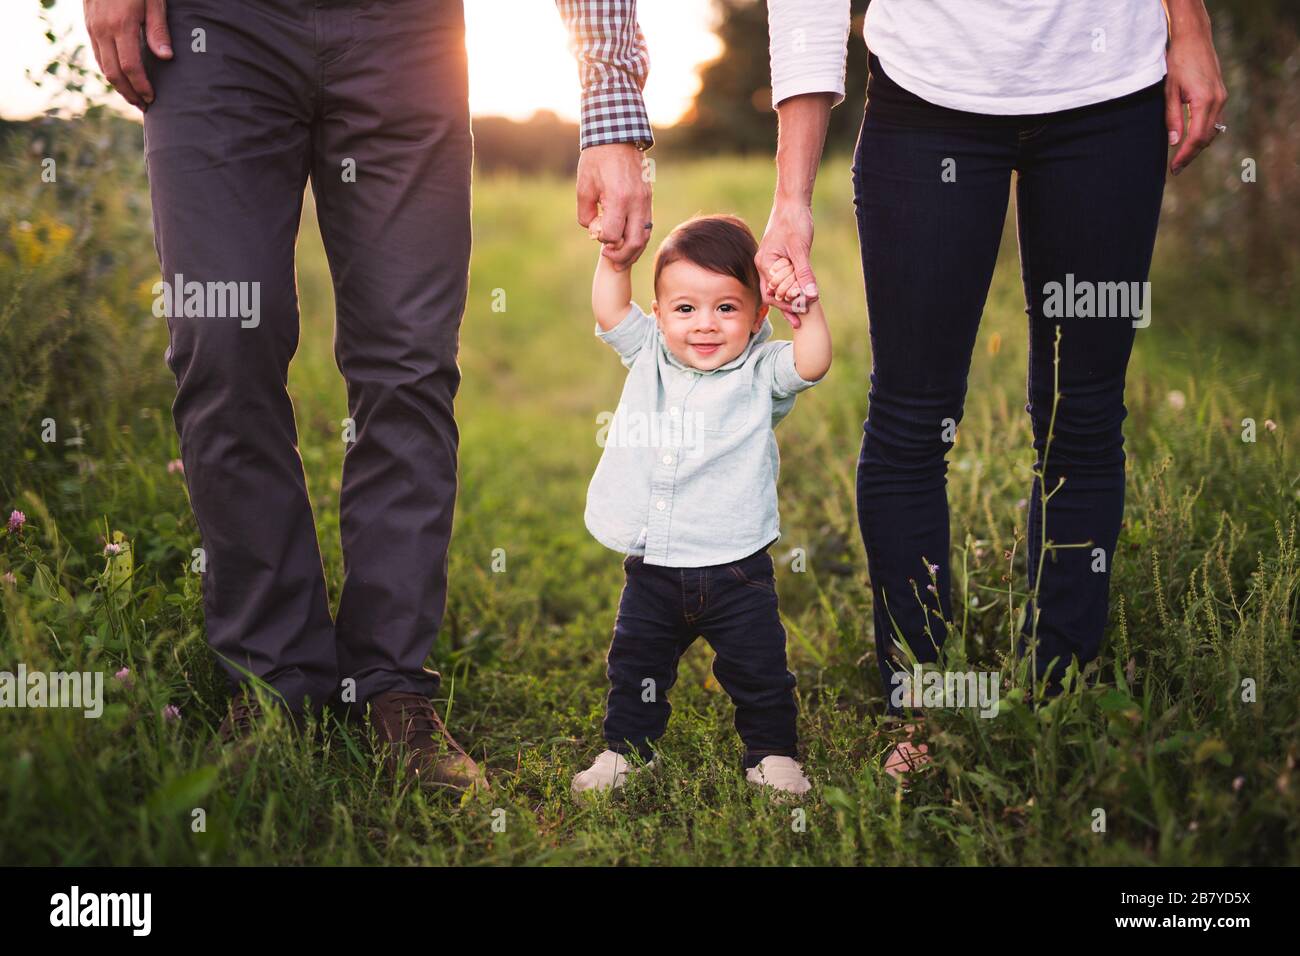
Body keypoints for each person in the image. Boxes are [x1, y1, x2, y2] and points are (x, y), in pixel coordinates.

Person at [81, 0, 655, 790]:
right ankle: (271, 678)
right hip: (216, 31)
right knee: (223, 343)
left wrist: (610, 114)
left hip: (408, 35)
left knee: (408, 364)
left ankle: (392, 687)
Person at [758, 0, 1227, 775]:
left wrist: (1193, 27)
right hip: (926, 97)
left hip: (1109, 90)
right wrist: (791, 196)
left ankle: (1058, 701)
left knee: (1082, 416)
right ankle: (926, 709)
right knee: (913, 417)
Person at [572, 215, 831, 797]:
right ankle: (627, 752)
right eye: (685, 309)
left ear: (758, 315)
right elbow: (612, 312)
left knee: (759, 672)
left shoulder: (761, 371)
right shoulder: (650, 355)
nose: (705, 326)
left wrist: (804, 309)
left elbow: (811, 363)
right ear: (660, 314)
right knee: (634, 666)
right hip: (654, 565)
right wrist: (616, 263)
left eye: (727, 308)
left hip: (737, 567)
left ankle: (772, 756)